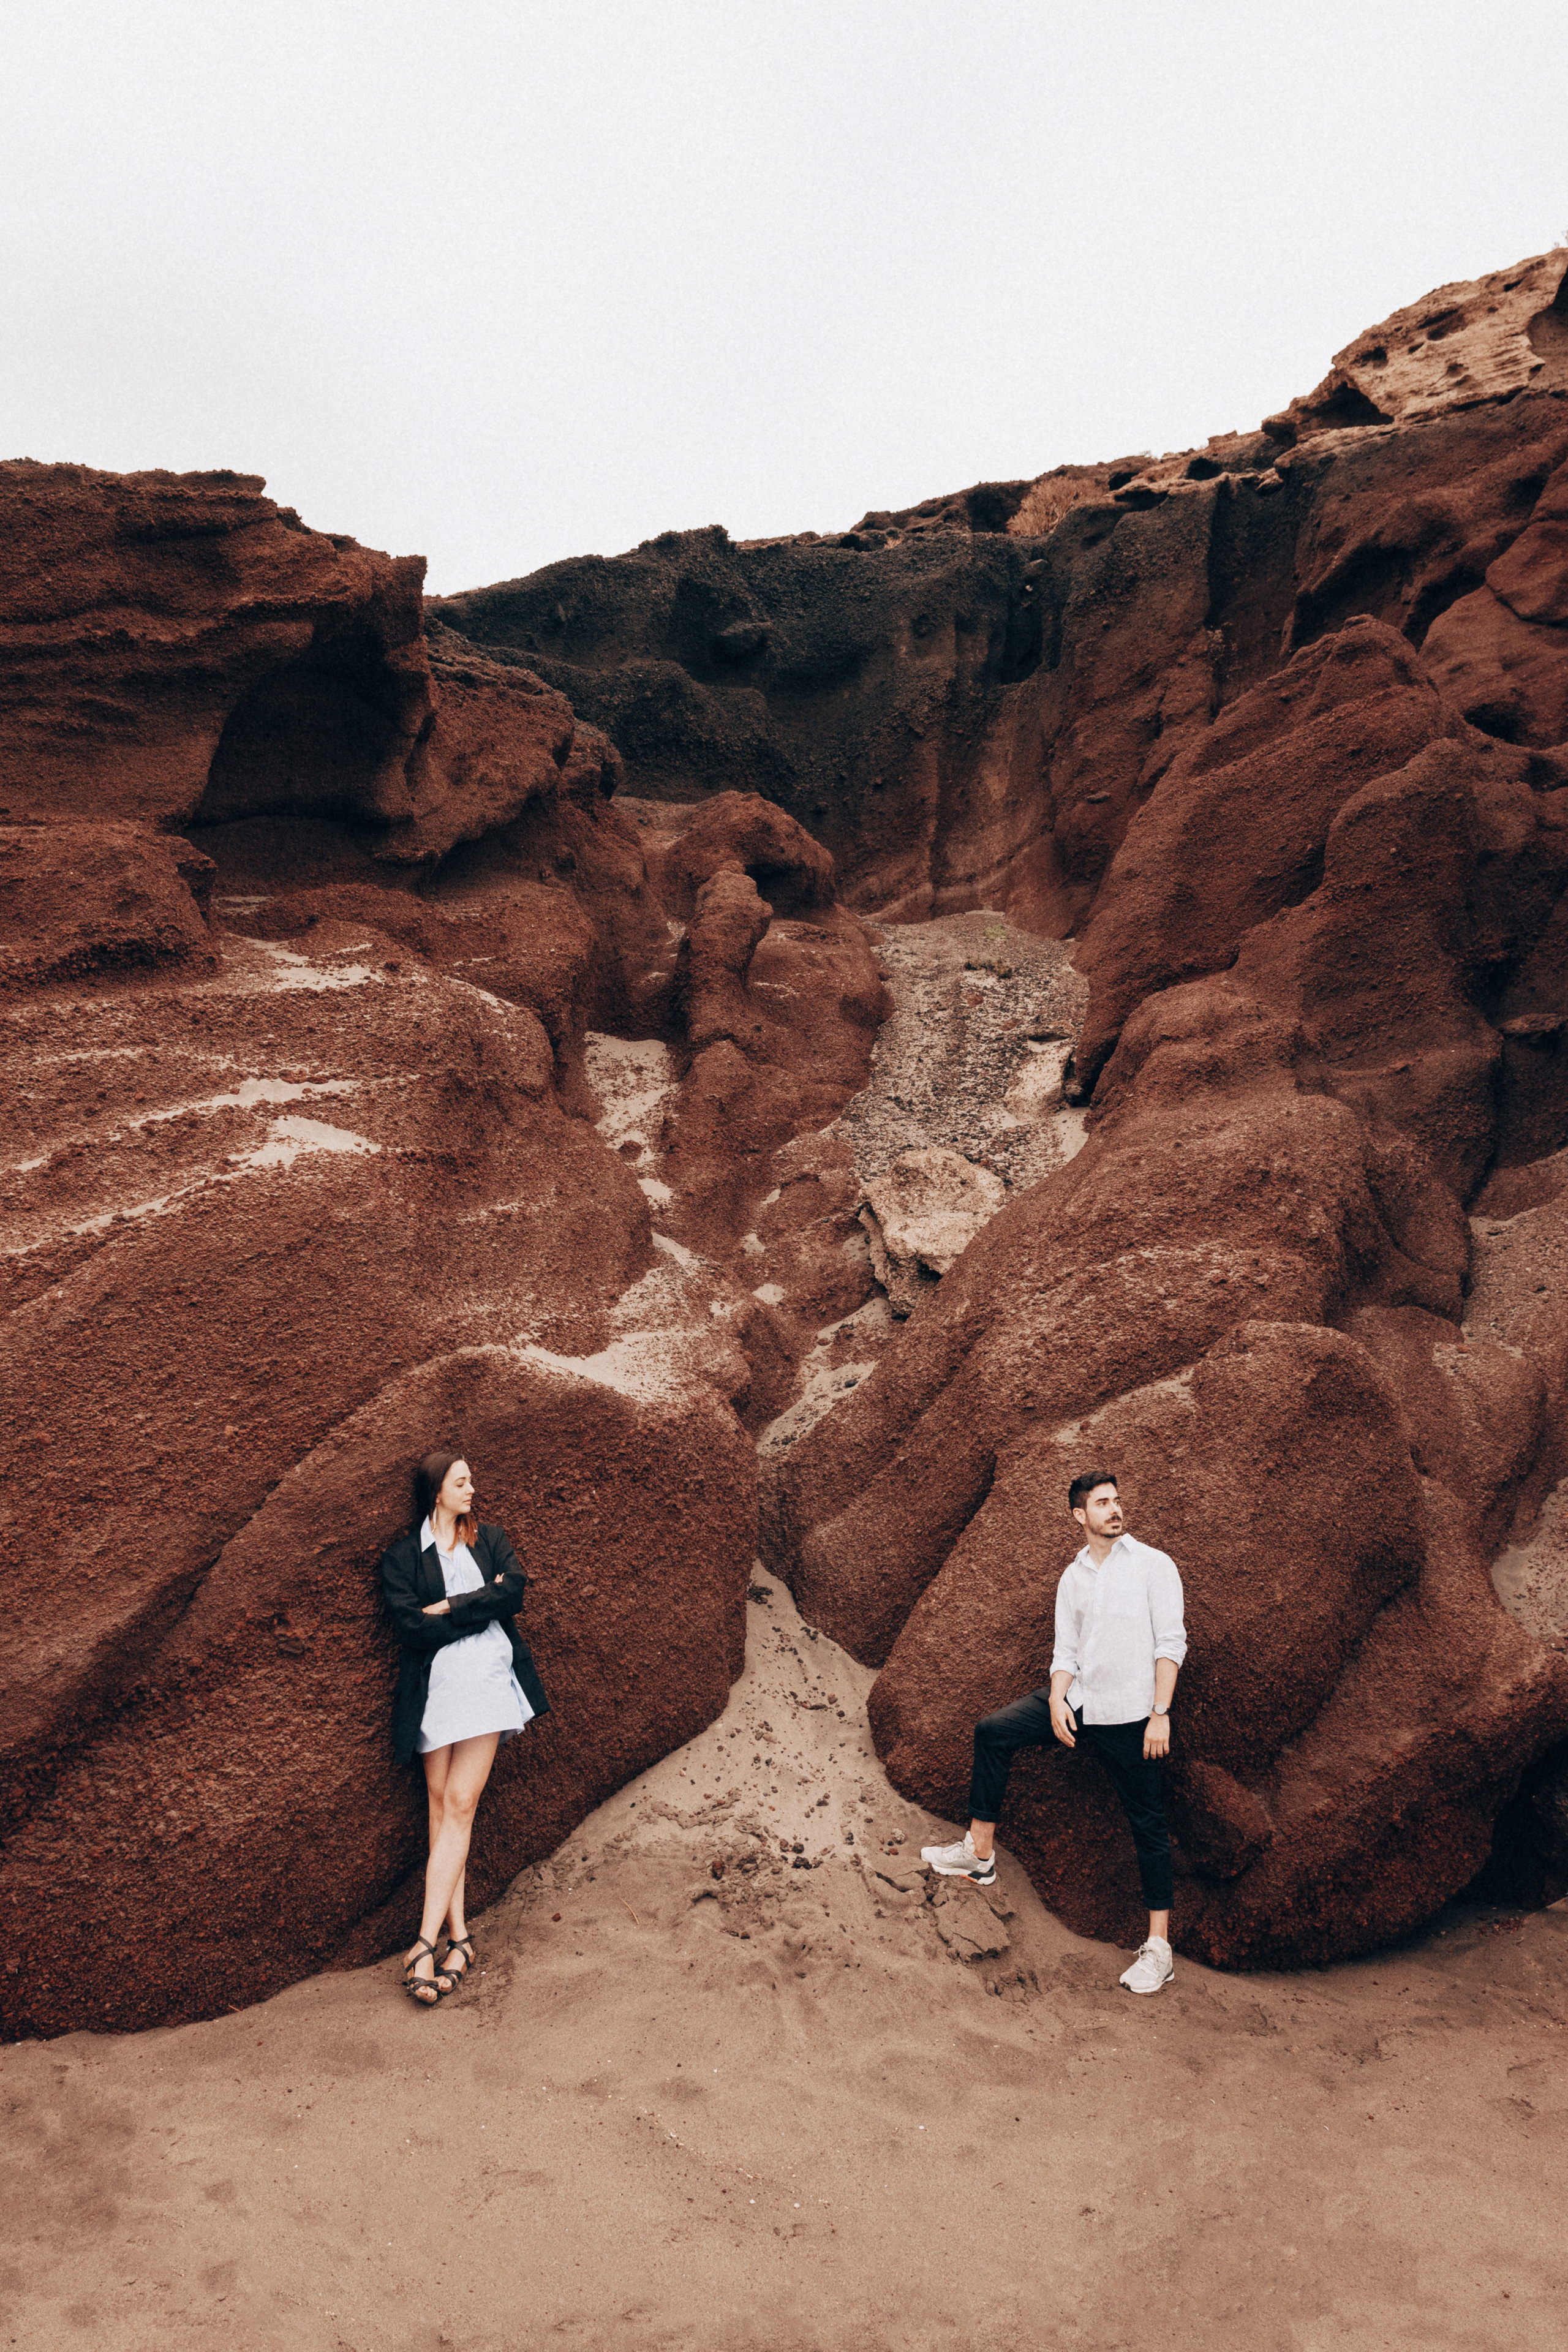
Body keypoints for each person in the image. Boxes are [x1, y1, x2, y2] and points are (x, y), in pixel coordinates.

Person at [920, 1469, 1186, 1995]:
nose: (1114, 1509)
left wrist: (1161, 1711)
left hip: (1133, 1716)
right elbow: (1066, 1650)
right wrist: (1058, 1698)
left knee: (1148, 1825)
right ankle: (980, 1854)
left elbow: (1170, 1642)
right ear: (1079, 1516)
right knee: (993, 1731)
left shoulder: (1155, 1566)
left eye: (1117, 1500)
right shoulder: (1074, 1577)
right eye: (1102, 1503)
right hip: (1079, 1703)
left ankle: (1159, 1948)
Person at [379, 1450, 550, 2007]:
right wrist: (480, 1608)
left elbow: (514, 1593)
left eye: (472, 1479)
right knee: (439, 1803)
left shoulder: (490, 1538)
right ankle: (460, 1940)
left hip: (485, 1682)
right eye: (462, 1481)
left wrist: (449, 1606)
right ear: (437, 1492)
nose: (473, 1489)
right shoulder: (404, 1556)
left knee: (459, 1800)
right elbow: (409, 1627)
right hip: (435, 1690)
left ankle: (422, 1943)